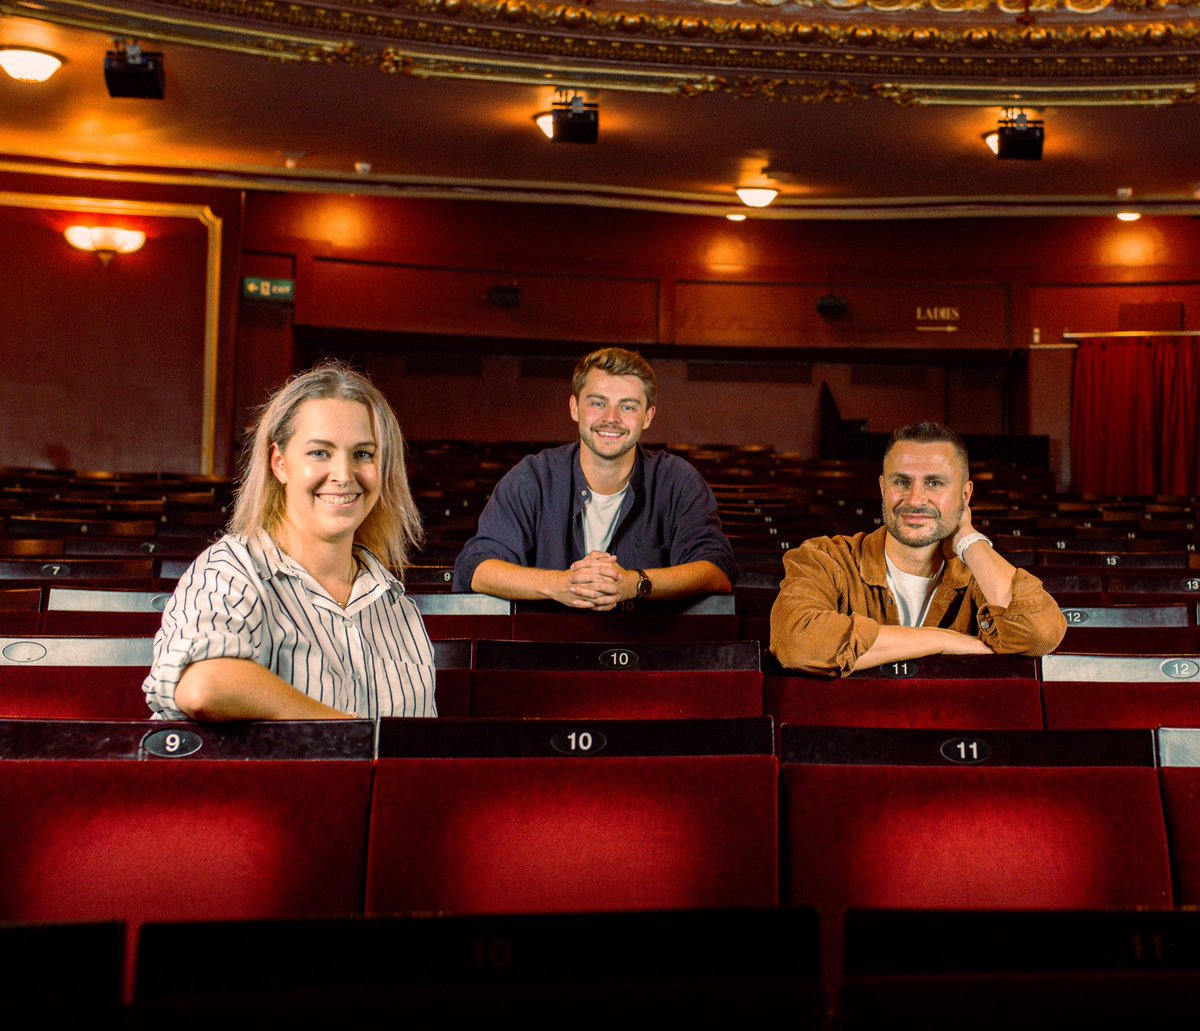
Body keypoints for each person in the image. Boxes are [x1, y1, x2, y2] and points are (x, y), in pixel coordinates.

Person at [143, 362, 435, 720]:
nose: (344, 475)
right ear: (279, 463)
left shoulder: (398, 608)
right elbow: (204, 685)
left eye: (363, 454)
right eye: (319, 453)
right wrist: (357, 738)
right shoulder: (230, 571)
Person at [770, 420, 1066, 676]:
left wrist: (968, 538)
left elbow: (1039, 633)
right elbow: (798, 643)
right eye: (902, 481)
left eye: (934, 483)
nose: (915, 499)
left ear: (965, 495)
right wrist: (942, 641)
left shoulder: (982, 576)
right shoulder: (824, 558)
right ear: (884, 489)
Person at [452, 347, 735, 609]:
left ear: (647, 417)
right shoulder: (532, 477)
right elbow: (477, 568)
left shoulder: (679, 481)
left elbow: (716, 571)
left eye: (627, 407)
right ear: (575, 407)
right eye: (598, 403)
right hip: (545, 650)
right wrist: (561, 585)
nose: (611, 418)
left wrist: (635, 583)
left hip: (651, 653)